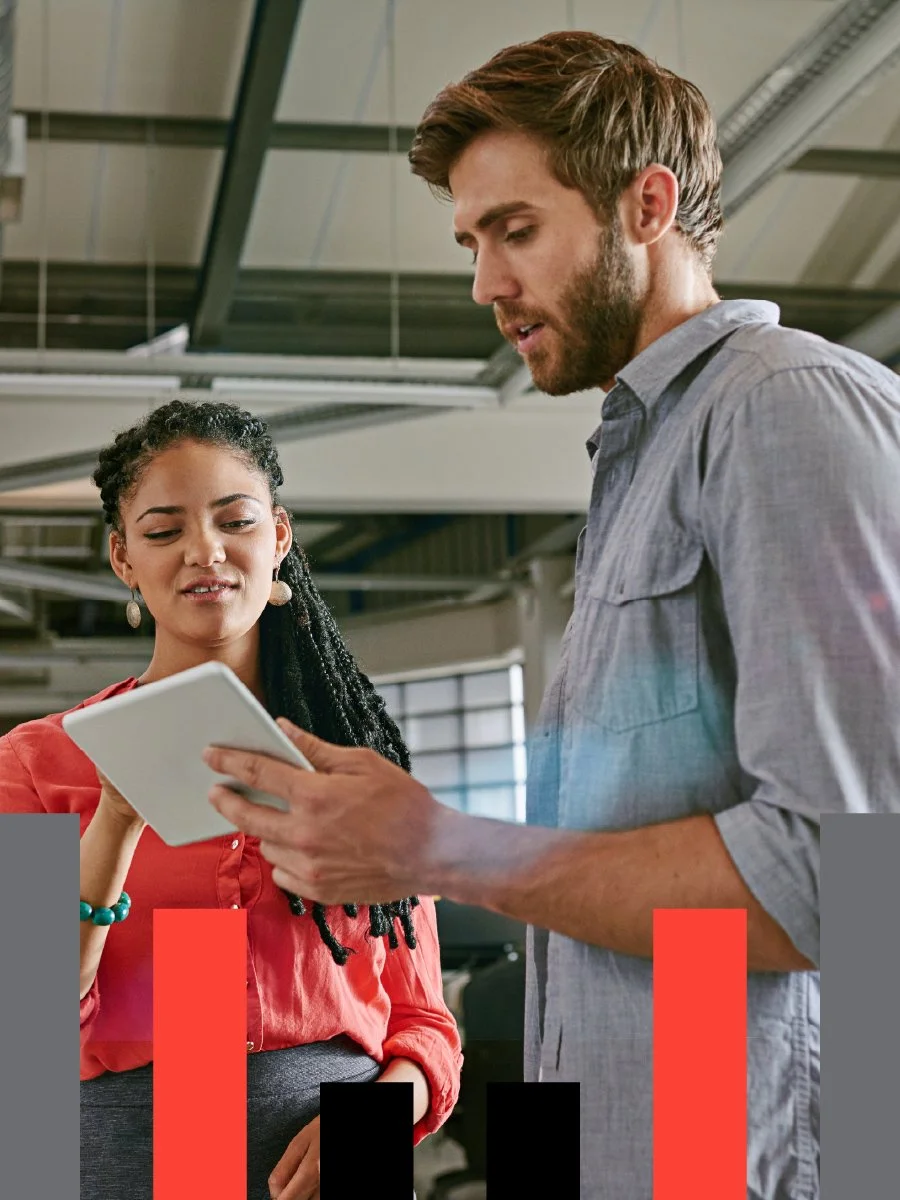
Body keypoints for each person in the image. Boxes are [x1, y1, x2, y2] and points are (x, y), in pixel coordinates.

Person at [201, 30, 900, 1200]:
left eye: (516, 231)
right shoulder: (643, 463)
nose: (484, 284)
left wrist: (436, 848)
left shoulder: (785, 410)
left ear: (648, 204)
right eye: (474, 243)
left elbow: (840, 874)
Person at [0, 399, 462, 1200]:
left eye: (234, 521)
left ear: (277, 537)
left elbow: (426, 1024)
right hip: (125, 1167)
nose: (203, 552)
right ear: (122, 557)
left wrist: (384, 1117)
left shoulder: (362, 771)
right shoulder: (38, 761)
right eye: (163, 530)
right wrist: (115, 821)